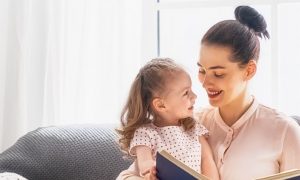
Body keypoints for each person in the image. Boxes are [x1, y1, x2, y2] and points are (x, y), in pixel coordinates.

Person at [117, 5, 300, 180]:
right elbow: (127, 176)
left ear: (249, 70)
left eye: (218, 73)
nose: (205, 83)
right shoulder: (186, 122)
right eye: (202, 70)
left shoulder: (285, 132)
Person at [116, 58, 220, 180]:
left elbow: (207, 160)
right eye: (186, 93)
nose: (194, 96)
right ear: (161, 105)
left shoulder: (194, 128)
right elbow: (145, 164)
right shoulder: (145, 133)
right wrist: (150, 173)